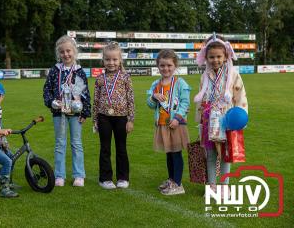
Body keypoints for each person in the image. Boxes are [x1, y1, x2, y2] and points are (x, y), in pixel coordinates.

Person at [194, 33, 248, 192]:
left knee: (226, 155)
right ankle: (211, 187)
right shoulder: (204, 76)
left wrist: (240, 119)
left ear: (225, 56)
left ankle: (224, 187)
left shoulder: (233, 75)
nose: (215, 60)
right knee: (210, 155)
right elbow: (201, 98)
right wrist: (200, 119)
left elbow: (240, 96)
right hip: (209, 120)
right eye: (211, 57)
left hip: (227, 120)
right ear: (206, 57)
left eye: (219, 56)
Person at [43, 35, 91, 187]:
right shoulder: (55, 71)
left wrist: (85, 112)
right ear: (59, 54)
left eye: (68, 51)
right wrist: (52, 102)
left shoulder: (79, 71)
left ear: (74, 51)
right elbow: (47, 90)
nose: (66, 54)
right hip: (59, 114)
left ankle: (79, 175)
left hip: (75, 114)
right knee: (60, 144)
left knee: (76, 143)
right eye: (62, 52)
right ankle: (59, 175)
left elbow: (85, 93)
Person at [146, 50, 191, 195]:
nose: (166, 68)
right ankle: (171, 180)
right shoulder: (155, 84)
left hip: (176, 124)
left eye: (169, 65)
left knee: (176, 153)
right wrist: (153, 97)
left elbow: (185, 102)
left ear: (175, 66)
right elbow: (150, 105)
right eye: (162, 65)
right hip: (162, 124)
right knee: (169, 153)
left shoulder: (180, 83)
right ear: (157, 66)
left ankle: (178, 184)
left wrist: (177, 118)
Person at [93, 42, 135, 189]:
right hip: (104, 117)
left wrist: (130, 120)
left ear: (120, 60)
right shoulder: (99, 79)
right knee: (105, 148)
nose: (111, 63)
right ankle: (105, 179)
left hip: (122, 118)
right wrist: (95, 120)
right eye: (108, 60)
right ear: (103, 60)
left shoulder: (125, 77)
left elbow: (131, 99)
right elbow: (96, 101)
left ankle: (123, 177)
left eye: (114, 59)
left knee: (121, 148)